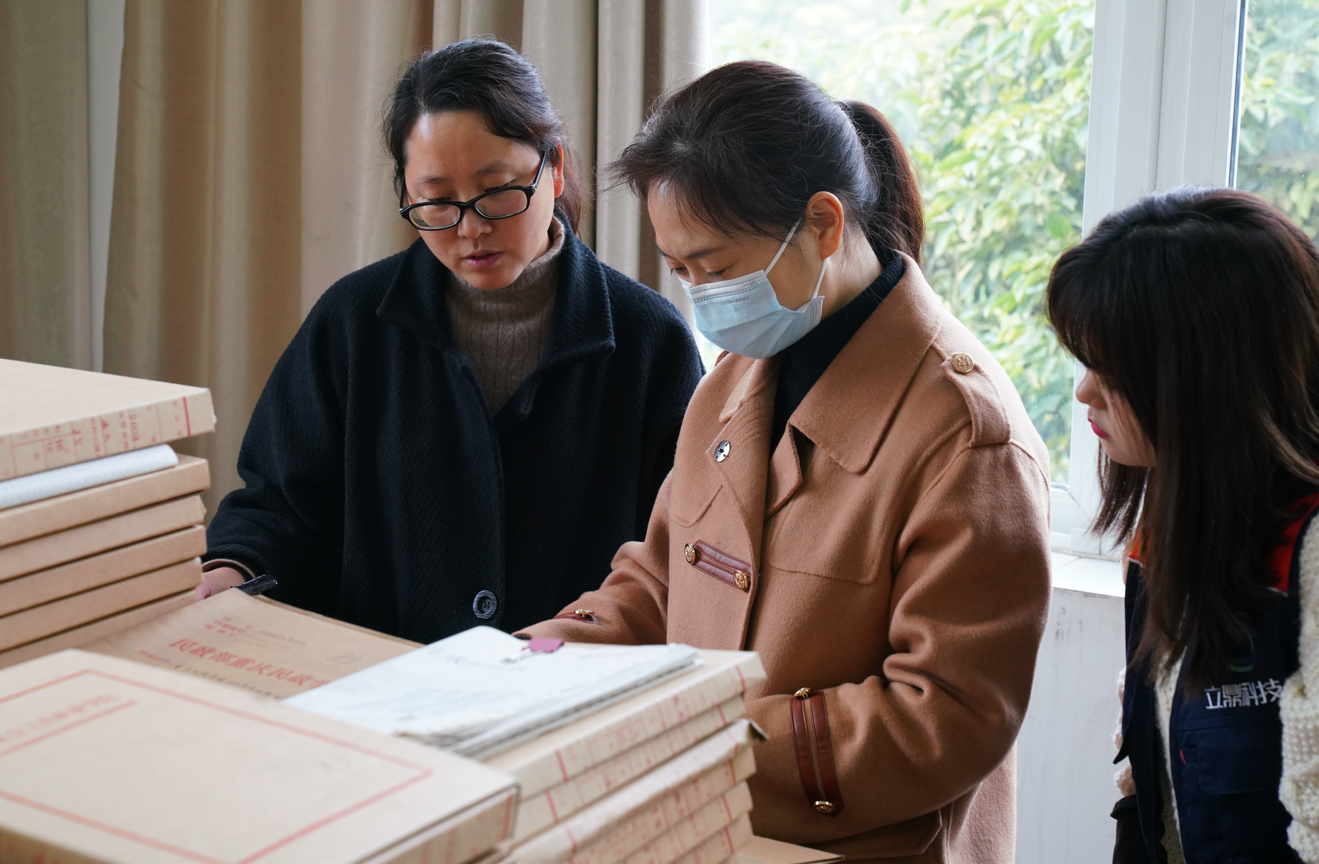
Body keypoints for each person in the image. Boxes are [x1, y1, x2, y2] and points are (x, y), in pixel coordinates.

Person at [519, 60, 1053, 862]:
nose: (701, 294)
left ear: (823, 224)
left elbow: (943, 714)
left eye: (717, 267)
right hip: (705, 827)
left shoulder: (965, 437)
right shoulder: (735, 379)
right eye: (680, 270)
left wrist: (694, 745)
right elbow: (659, 581)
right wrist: (529, 667)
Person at [196, 39, 703, 643]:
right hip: (380, 682)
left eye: (497, 190)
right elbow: (282, 507)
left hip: (568, 683)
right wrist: (234, 570)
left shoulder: (649, 340)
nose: (471, 228)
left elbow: (678, 551)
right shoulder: (354, 323)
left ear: (554, 168)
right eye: (437, 201)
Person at [1048, 187, 1319, 863]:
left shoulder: (1308, 548)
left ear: (1207, 379)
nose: (1083, 391)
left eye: (1112, 370)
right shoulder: (1177, 499)